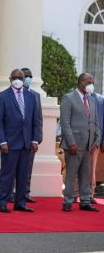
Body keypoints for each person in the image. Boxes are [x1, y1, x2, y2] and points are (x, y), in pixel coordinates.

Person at [0, 69, 39, 213]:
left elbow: (35, 120)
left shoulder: (31, 96)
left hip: (26, 143)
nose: (18, 79)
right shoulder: (2, 96)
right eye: (15, 77)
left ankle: (20, 202)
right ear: (10, 79)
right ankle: (2, 202)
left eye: (20, 77)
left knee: (23, 174)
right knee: (7, 174)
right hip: (9, 143)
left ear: (24, 78)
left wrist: (35, 140)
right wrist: (2, 142)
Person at [60, 73, 100, 212]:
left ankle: (85, 201)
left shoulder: (92, 100)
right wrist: (71, 142)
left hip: (89, 144)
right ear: (80, 82)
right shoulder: (68, 98)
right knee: (71, 174)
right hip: (74, 145)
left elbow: (95, 121)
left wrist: (97, 139)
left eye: (92, 82)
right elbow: (65, 123)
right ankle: (68, 201)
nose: (91, 85)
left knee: (86, 174)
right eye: (88, 82)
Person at [9, 68, 43, 203]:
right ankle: (11, 192)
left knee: (27, 168)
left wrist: (37, 138)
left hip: (29, 140)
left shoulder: (35, 95)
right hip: (13, 139)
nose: (28, 78)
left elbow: (38, 118)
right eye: (26, 76)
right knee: (11, 168)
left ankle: (25, 192)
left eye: (30, 76)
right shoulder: (8, 94)